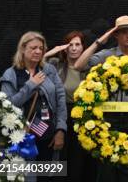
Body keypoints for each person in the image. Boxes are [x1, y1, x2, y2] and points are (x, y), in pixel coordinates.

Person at [74, 15, 128, 182]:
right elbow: (79, 65)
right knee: (107, 169)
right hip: (109, 119)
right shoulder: (105, 55)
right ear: (116, 35)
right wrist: (102, 40)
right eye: (123, 32)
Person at [0, 31, 67, 172]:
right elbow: (7, 106)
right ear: (23, 49)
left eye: (41, 48)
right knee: (22, 175)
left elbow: (60, 100)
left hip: (48, 136)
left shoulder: (49, 70)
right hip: (21, 138)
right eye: (33, 48)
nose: (38, 51)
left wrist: (60, 130)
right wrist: (30, 85)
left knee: (45, 175)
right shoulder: (11, 74)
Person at [44, 30, 94, 182]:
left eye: (77, 45)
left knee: (78, 158)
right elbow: (37, 62)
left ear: (83, 47)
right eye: (70, 45)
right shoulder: (55, 65)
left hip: (82, 117)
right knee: (59, 155)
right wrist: (52, 52)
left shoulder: (89, 68)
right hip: (60, 114)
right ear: (65, 48)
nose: (73, 48)